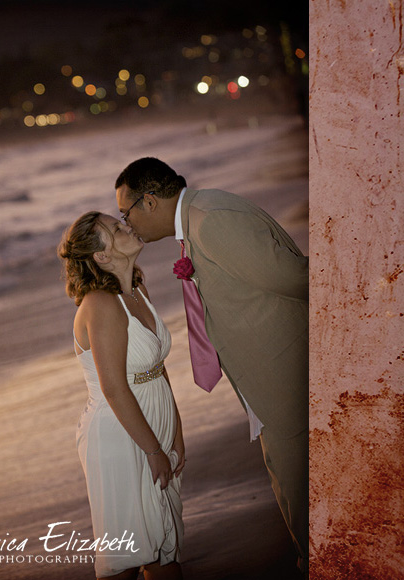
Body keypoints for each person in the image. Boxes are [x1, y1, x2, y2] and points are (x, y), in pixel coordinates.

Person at [114, 157, 308, 573]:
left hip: (287, 382)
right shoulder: (200, 218)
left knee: (306, 503)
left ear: (149, 201)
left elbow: (298, 280)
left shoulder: (210, 221)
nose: (126, 224)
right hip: (268, 385)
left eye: (124, 213)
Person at [59, 211, 185, 580]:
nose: (126, 226)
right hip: (120, 436)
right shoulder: (100, 304)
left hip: (152, 425)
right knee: (127, 558)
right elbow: (114, 388)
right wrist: (153, 449)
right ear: (101, 256)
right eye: (115, 229)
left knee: (165, 552)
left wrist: (175, 433)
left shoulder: (137, 291)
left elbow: (157, 370)